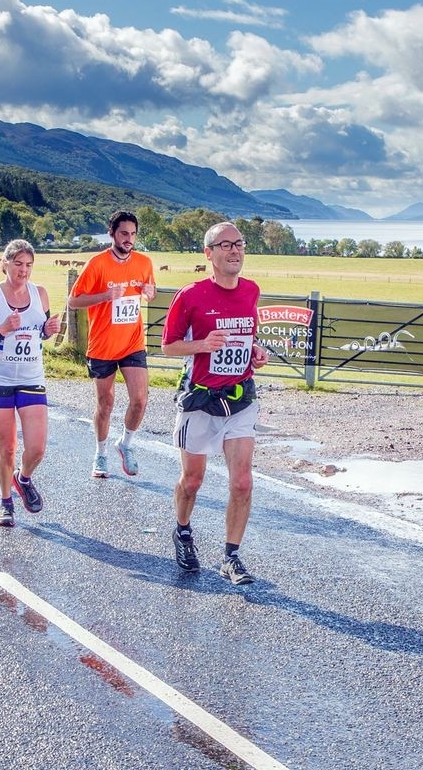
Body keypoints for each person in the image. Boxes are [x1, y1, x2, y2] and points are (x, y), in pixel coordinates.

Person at [161, 222, 269, 585]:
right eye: (225, 245)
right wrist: (202, 345)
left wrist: (255, 352)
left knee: (241, 482)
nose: (235, 251)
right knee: (193, 480)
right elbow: (168, 346)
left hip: (240, 398)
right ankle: (183, 530)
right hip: (199, 400)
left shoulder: (251, 291)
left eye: (239, 244)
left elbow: (247, 338)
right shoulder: (190, 295)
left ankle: (231, 556)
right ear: (208, 254)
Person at [0, 239, 61, 527]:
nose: (23, 270)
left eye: (29, 265)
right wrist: (1, 330)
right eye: (18, 264)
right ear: (5, 264)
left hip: (31, 377)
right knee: (7, 447)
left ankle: (24, 478)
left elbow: (39, 334)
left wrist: (48, 330)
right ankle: (5, 503)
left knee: (37, 448)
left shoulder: (40, 294)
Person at [67, 211, 157, 478]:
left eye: (133, 234)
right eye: (123, 234)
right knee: (106, 404)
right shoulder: (97, 264)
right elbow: (74, 301)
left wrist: (150, 292)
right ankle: (101, 452)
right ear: (112, 234)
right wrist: (105, 295)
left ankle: (125, 444)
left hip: (132, 342)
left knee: (140, 400)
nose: (129, 239)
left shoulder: (144, 262)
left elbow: (149, 289)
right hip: (103, 345)